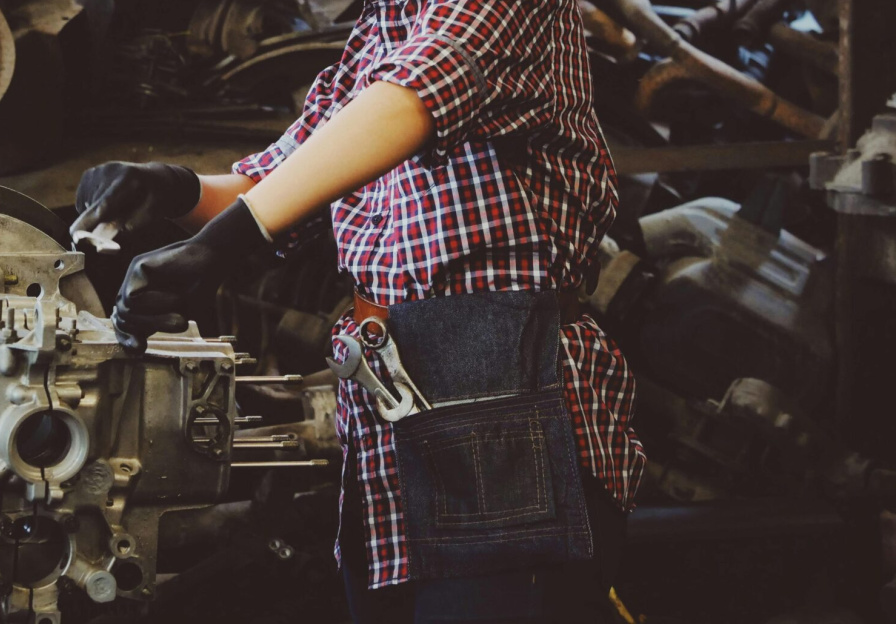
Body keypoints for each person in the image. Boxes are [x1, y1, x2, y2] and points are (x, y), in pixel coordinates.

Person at [71, 0, 646, 621]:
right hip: (386, 420)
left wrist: (224, 243)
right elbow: (285, 181)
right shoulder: (381, 28)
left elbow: (410, 100)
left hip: (507, 403)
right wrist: (171, 187)